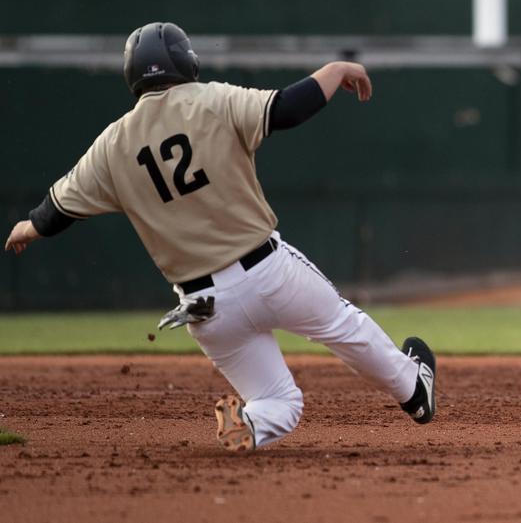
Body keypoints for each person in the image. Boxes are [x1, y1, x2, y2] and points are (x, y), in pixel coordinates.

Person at [4, 22, 437, 452]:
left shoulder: (111, 145)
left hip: (204, 306)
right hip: (267, 270)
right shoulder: (212, 99)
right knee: (343, 325)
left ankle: (249, 422)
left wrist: (27, 228)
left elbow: (56, 211)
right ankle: (414, 392)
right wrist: (335, 69)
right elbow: (285, 109)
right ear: (186, 61)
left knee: (278, 401)